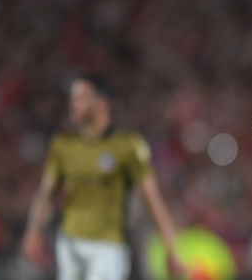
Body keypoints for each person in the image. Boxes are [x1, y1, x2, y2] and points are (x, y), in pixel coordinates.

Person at [22, 75, 183, 280]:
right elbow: (46, 194)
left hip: (108, 246)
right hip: (69, 243)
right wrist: (33, 231)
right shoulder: (62, 145)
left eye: (81, 98)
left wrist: (172, 247)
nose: (73, 104)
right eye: (73, 99)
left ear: (101, 104)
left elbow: (152, 199)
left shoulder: (128, 146)